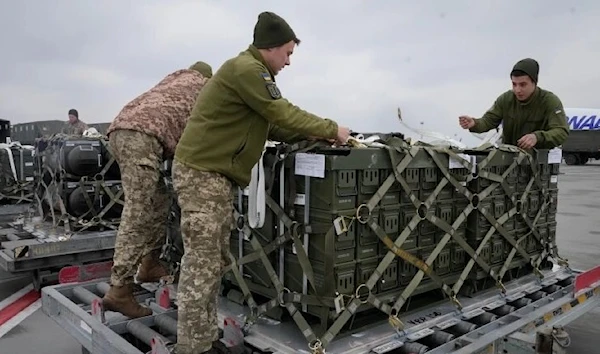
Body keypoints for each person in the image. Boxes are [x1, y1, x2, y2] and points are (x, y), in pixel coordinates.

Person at [171, 11, 351, 354]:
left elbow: (276, 127)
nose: (288, 61)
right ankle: (190, 347)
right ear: (269, 48)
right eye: (287, 53)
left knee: (213, 261)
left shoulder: (251, 74)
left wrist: (318, 136)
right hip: (203, 174)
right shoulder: (247, 70)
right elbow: (282, 112)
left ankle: (204, 339)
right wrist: (331, 127)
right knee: (202, 263)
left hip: (213, 177)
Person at [101, 61, 213, 319]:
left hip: (122, 130)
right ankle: (119, 290)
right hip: (141, 136)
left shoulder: (174, 80)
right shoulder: (204, 88)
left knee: (159, 200)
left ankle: (150, 263)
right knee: (138, 211)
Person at [458, 58, 569, 150]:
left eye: (523, 85)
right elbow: (488, 121)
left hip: (539, 161)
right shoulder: (506, 99)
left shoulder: (549, 101)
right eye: (514, 84)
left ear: (534, 82)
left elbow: (561, 131)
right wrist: (474, 123)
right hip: (510, 161)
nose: (517, 90)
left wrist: (537, 137)